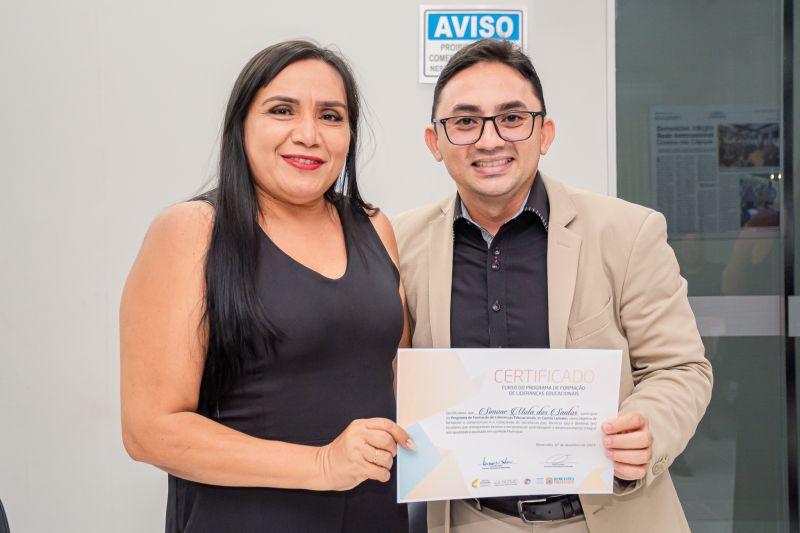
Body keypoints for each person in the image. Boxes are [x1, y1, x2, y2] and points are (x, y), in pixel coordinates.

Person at [393, 39, 713, 533]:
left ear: (545, 133)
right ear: (435, 142)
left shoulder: (627, 233)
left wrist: (649, 427)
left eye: (512, 118)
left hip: (609, 517)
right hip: (468, 518)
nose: (490, 140)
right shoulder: (399, 244)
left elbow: (680, 367)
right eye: (465, 121)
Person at [120, 40, 414, 533]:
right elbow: (149, 431)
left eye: (330, 116)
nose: (309, 135)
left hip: (376, 516)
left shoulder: (374, 227)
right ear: (241, 125)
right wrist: (321, 464)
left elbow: (395, 379)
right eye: (282, 111)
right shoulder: (192, 231)